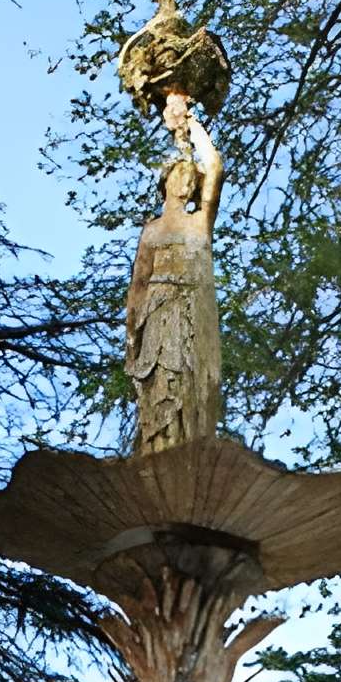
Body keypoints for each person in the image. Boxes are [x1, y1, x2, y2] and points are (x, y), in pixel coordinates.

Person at [124, 91, 224, 451]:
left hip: (192, 311)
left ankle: (187, 446)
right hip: (158, 311)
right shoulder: (152, 231)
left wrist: (189, 120)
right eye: (179, 176)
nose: (186, 182)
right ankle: (159, 448)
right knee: (161, 379)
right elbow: (138, 284)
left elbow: (214, 166)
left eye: (190, 179)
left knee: (189, 380)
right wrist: (132, 336)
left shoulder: (200, 223)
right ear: (165, 182)